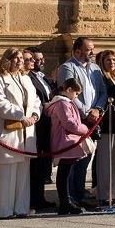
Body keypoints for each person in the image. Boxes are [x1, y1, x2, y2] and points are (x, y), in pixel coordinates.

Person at [0, 48, 42, 219]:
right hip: (8, 133)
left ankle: (21, 208)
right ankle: (4, 211)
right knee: (6, 174)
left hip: (26, 133)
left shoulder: (26, 79)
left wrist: (35, 114)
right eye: (16, 58)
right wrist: (21, 116)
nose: (20, 61)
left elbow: (36, 101)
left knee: (23, 174)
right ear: (7, 60)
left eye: (21, 58)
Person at [54, 37, 104, 210]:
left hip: (93, 118)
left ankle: (80, 193)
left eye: (92, 48)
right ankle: (69, 197)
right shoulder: (67, 68)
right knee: (72, 159)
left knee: (85, 157)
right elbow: (69, 93)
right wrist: (86, 112)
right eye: (89, 49)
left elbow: (102, 91)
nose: (92, 52)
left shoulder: (95, 68)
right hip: (76, 119)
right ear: (77, 52)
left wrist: (97, 109)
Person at [45, 78, 91, 215]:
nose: (76, 97)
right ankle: (65, 201)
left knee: (66, 171)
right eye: (76, 94)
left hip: (68, 140)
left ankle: (67, 199)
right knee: (64, 172)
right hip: (65, 140)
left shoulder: (65, 103)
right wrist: (85, 128)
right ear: (69, 90)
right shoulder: (63, 104)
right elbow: (70, 124)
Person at [24, 48, 54, 210]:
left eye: (41, 59)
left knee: (43, 164)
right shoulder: (27, 78)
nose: (39, 62)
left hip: (47, 124)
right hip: (37, 126)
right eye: (36, 59)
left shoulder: (41, 77)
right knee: (35, 165)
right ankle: (34, 199)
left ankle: (40, 197)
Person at [94, 49, 115, 204]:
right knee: (105, 160)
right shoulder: (102, 78)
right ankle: (104, 194)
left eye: (113, 60)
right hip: (107, 122)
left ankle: (114, 193)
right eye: (108, 60)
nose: (111, 63)